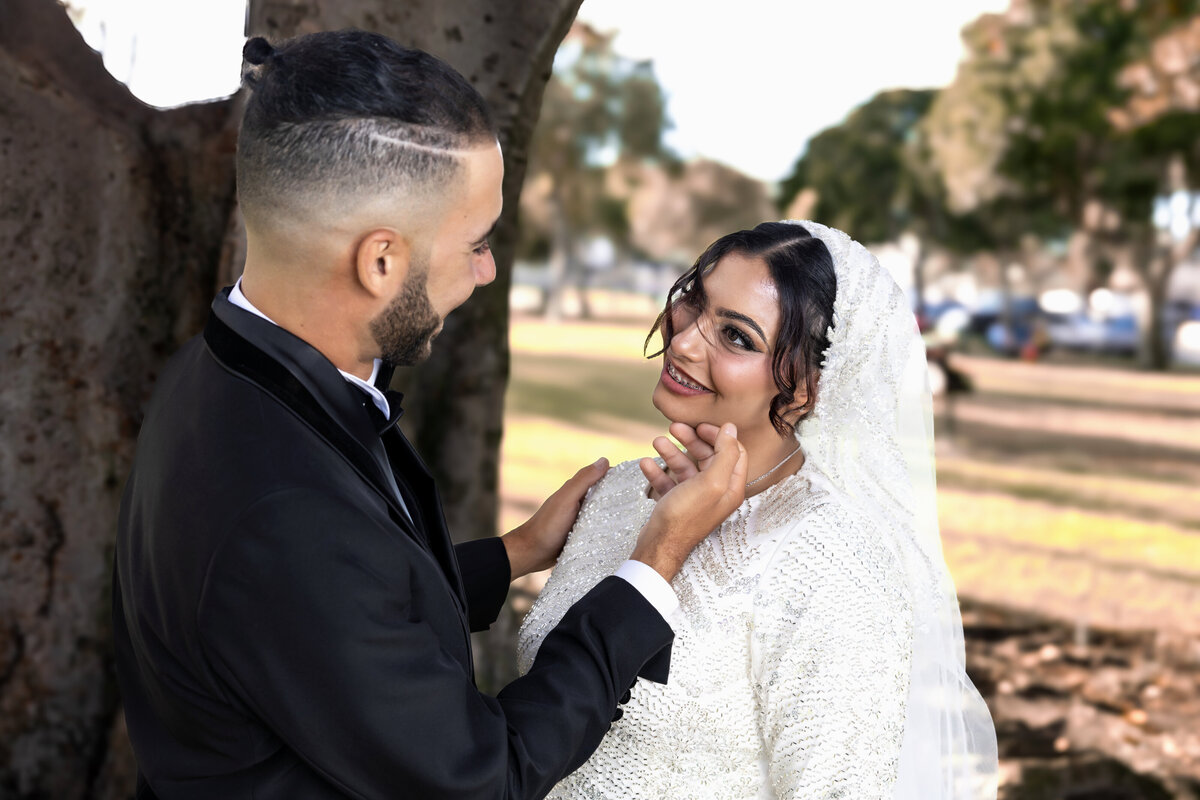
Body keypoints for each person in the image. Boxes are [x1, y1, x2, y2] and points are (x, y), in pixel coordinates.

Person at [112, 31, 748, 799]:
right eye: (476, 244)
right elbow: (484, 779)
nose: (485, 271)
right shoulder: (288, 514)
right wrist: (657, 562)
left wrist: (513, 552)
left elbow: (337, 622)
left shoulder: (220, 367)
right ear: (380, 261)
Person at [518, 220, 999, 798]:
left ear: (803, 388)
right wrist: (514, 552)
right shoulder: (619, 493)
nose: (686, 341)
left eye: (737, 336)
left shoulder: (835, 563)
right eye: (693, 302)